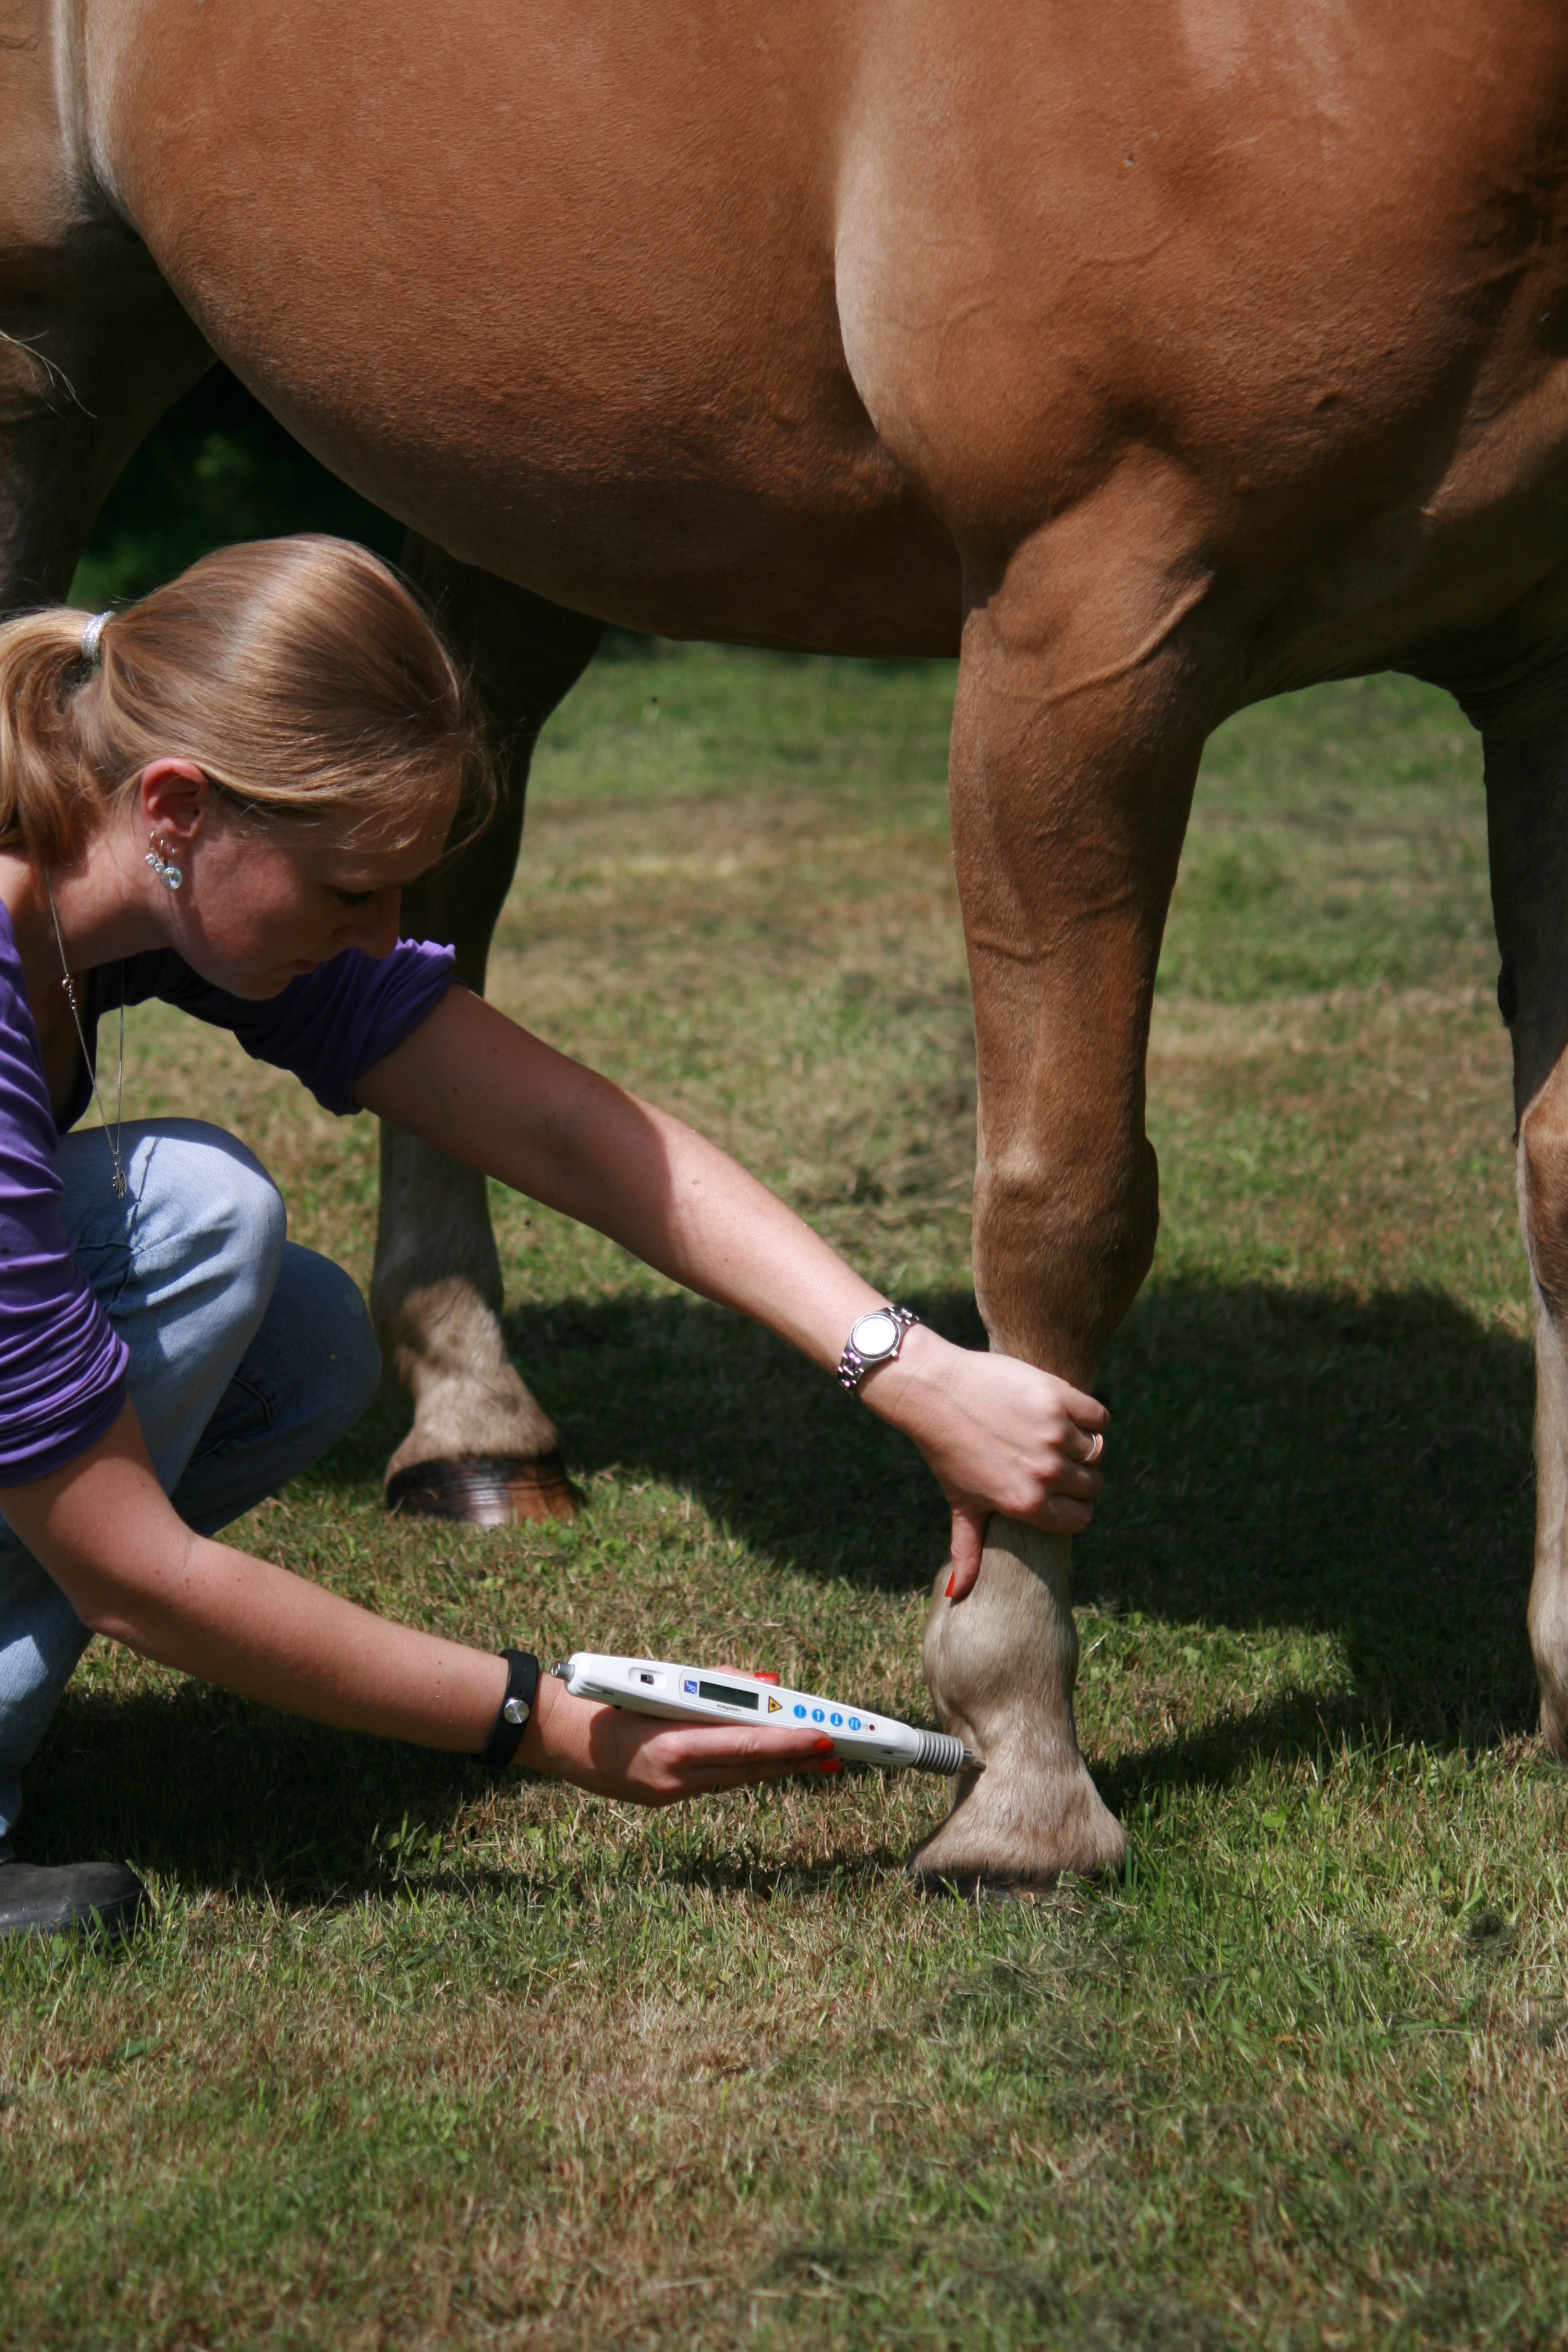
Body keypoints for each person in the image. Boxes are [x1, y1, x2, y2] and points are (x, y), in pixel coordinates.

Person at [0, 536, 1108, 1941]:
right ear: (176, 807)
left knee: (311, 1342)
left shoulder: (123, 872)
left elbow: (564, 1129)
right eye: (353, 893)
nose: (383, 935)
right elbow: (126, 1571)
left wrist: (908, 1369)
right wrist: (541, 1722)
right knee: (201, 1225)